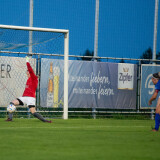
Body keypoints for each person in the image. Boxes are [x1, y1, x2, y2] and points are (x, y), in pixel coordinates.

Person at [6, 56, 52, 123]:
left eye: (29, 71)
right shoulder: (28, 79)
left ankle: (45, 120)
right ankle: (10, 118)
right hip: (24, 97)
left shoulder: (34, 78)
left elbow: (30, 69)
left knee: (33, 112)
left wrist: (27, 61)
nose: (28, 72)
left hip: (31, 98)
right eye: (27, 71)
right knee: (12, 103)